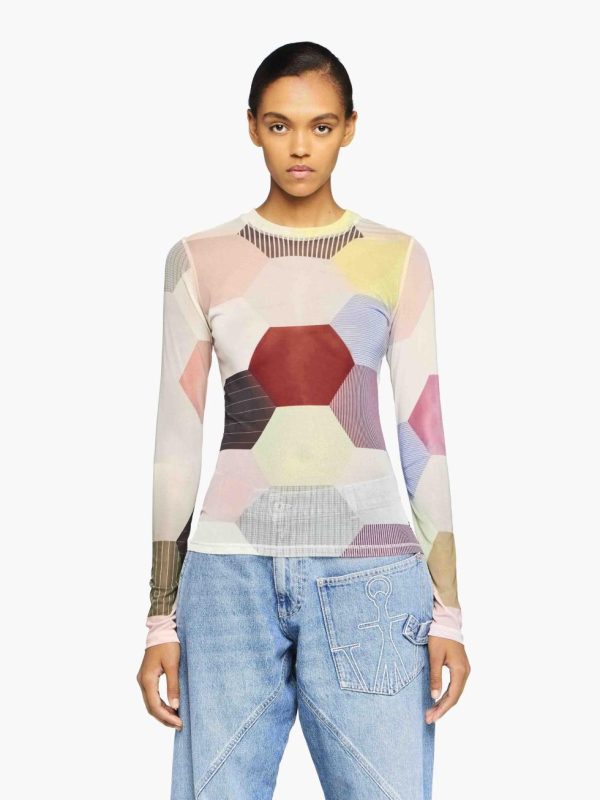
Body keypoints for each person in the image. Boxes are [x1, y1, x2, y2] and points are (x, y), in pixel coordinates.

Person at [137, 40, 471, 800]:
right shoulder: (198, 258)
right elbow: (175, 443)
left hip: (372, 578)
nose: (299, 146)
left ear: (349, 128)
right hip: (227, 579)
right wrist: (160, 618)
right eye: (280, 125)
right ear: (252, 127)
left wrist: (449, 612)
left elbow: (424, 435)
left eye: (321, 126)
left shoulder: (397, 257)